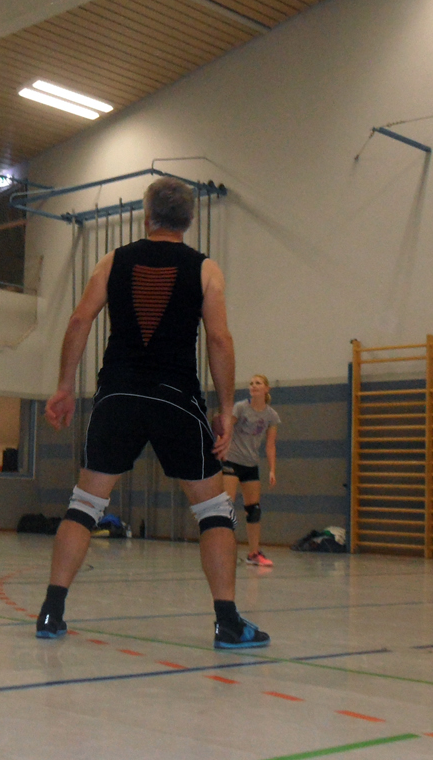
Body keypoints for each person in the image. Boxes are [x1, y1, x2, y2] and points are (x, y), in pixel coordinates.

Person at [34, 176, 268, 650]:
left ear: (147, 217)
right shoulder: (205, 270)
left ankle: (51, 611)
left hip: (117, 398)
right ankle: (227, 622)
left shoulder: (112, 261)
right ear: (189, 219)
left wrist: (64, 386)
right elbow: (219, 339)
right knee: (213, 510)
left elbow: (80, 319)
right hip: (175, 400)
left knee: (85, 504)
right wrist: (226, 410)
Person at [222, 374, 279, 567]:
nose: (253, 386)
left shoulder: (271, 415)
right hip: (232, 460)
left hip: (250, 464)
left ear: (266, 389)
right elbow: (227, 429)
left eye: (258, 383)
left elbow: (270, 445)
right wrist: (221, 448)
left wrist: (272, 470)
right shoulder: (240, 408)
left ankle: (254, 553)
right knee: (227, 507)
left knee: (253, 510)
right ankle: (226, 551)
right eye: (251, 383)